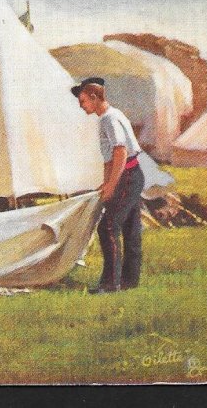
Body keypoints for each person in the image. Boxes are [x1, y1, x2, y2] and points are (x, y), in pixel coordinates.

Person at [72, 77, 145, 293]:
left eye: (83, 101)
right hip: (128, 175)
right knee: (130, 229)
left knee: (108, 227)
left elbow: (120, 152)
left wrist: (112, 185)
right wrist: (105, 183)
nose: (81, 106)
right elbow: (108, 159)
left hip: (128, 176)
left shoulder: (109, 119)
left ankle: (110, 283)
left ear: (94, 97)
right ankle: (129, 281)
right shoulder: (108, 117)